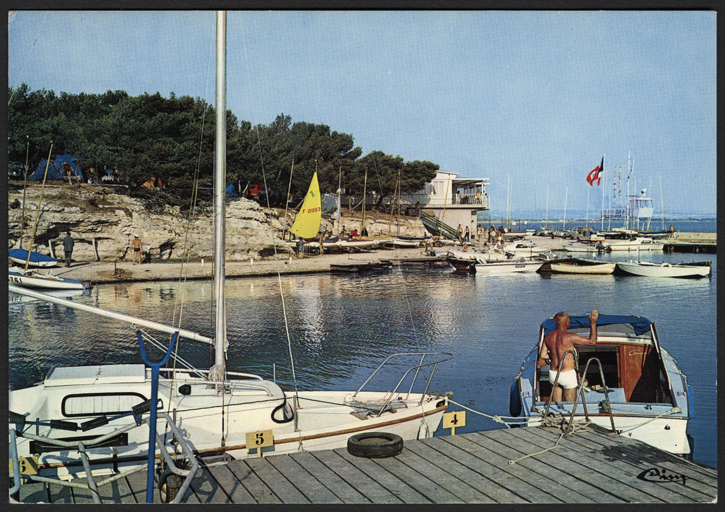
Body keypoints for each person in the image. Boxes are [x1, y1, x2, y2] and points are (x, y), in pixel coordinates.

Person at [539, 311, 598, 402]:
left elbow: (542, 355)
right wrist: (593, 323)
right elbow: (592, 342)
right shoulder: (570, 336)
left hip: (554, 374)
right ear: (567, 323)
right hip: (568, 374)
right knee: (570, 406)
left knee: (556, 405)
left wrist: (554, 357)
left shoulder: (548, 337)